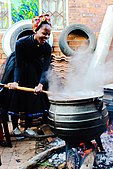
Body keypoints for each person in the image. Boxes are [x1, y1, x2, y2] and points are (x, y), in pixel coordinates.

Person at [0, 14, 52, 137]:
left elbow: (45, 68)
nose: (46, 37)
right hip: (18, 67)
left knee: (32, 96)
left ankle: (28, 127)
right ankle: (16, 127)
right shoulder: (21, 43)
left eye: (48, 34)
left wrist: (40, 84)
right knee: (16, 96)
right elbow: (18, 65)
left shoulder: (47, 47)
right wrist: (16, 81)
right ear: (35, 30)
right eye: (44, 33)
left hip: (35, 69)